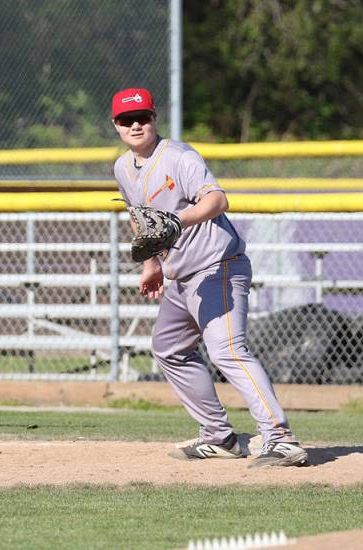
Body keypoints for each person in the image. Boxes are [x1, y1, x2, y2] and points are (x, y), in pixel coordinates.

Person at [110, 88, 307, 468]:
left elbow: (217, 200)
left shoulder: (179, 157)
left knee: (227, 350)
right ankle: (218, 436)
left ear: (154, 119)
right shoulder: (122, 167)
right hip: (181, 276)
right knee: (168, 348)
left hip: (218, 265)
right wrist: (151, 265)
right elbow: (138, 218)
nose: (135, 125)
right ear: (115, 125)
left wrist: (179, 220)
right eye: (126, 120)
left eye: (143, 117)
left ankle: (280, 438)